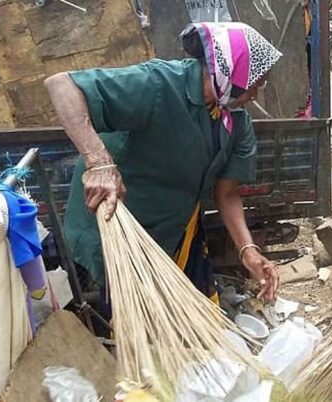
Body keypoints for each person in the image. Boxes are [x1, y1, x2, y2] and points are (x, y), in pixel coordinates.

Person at [44, 22, 282, 304]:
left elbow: (226, 192)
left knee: (185, 316)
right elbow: (61, 85)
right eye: (258, 78)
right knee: (130, 319)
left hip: (174, 231)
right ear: (234, 70)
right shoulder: (159, 84)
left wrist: (249, 251)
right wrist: (99, 163)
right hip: (119, 230)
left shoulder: (235, 120)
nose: (259, 88)